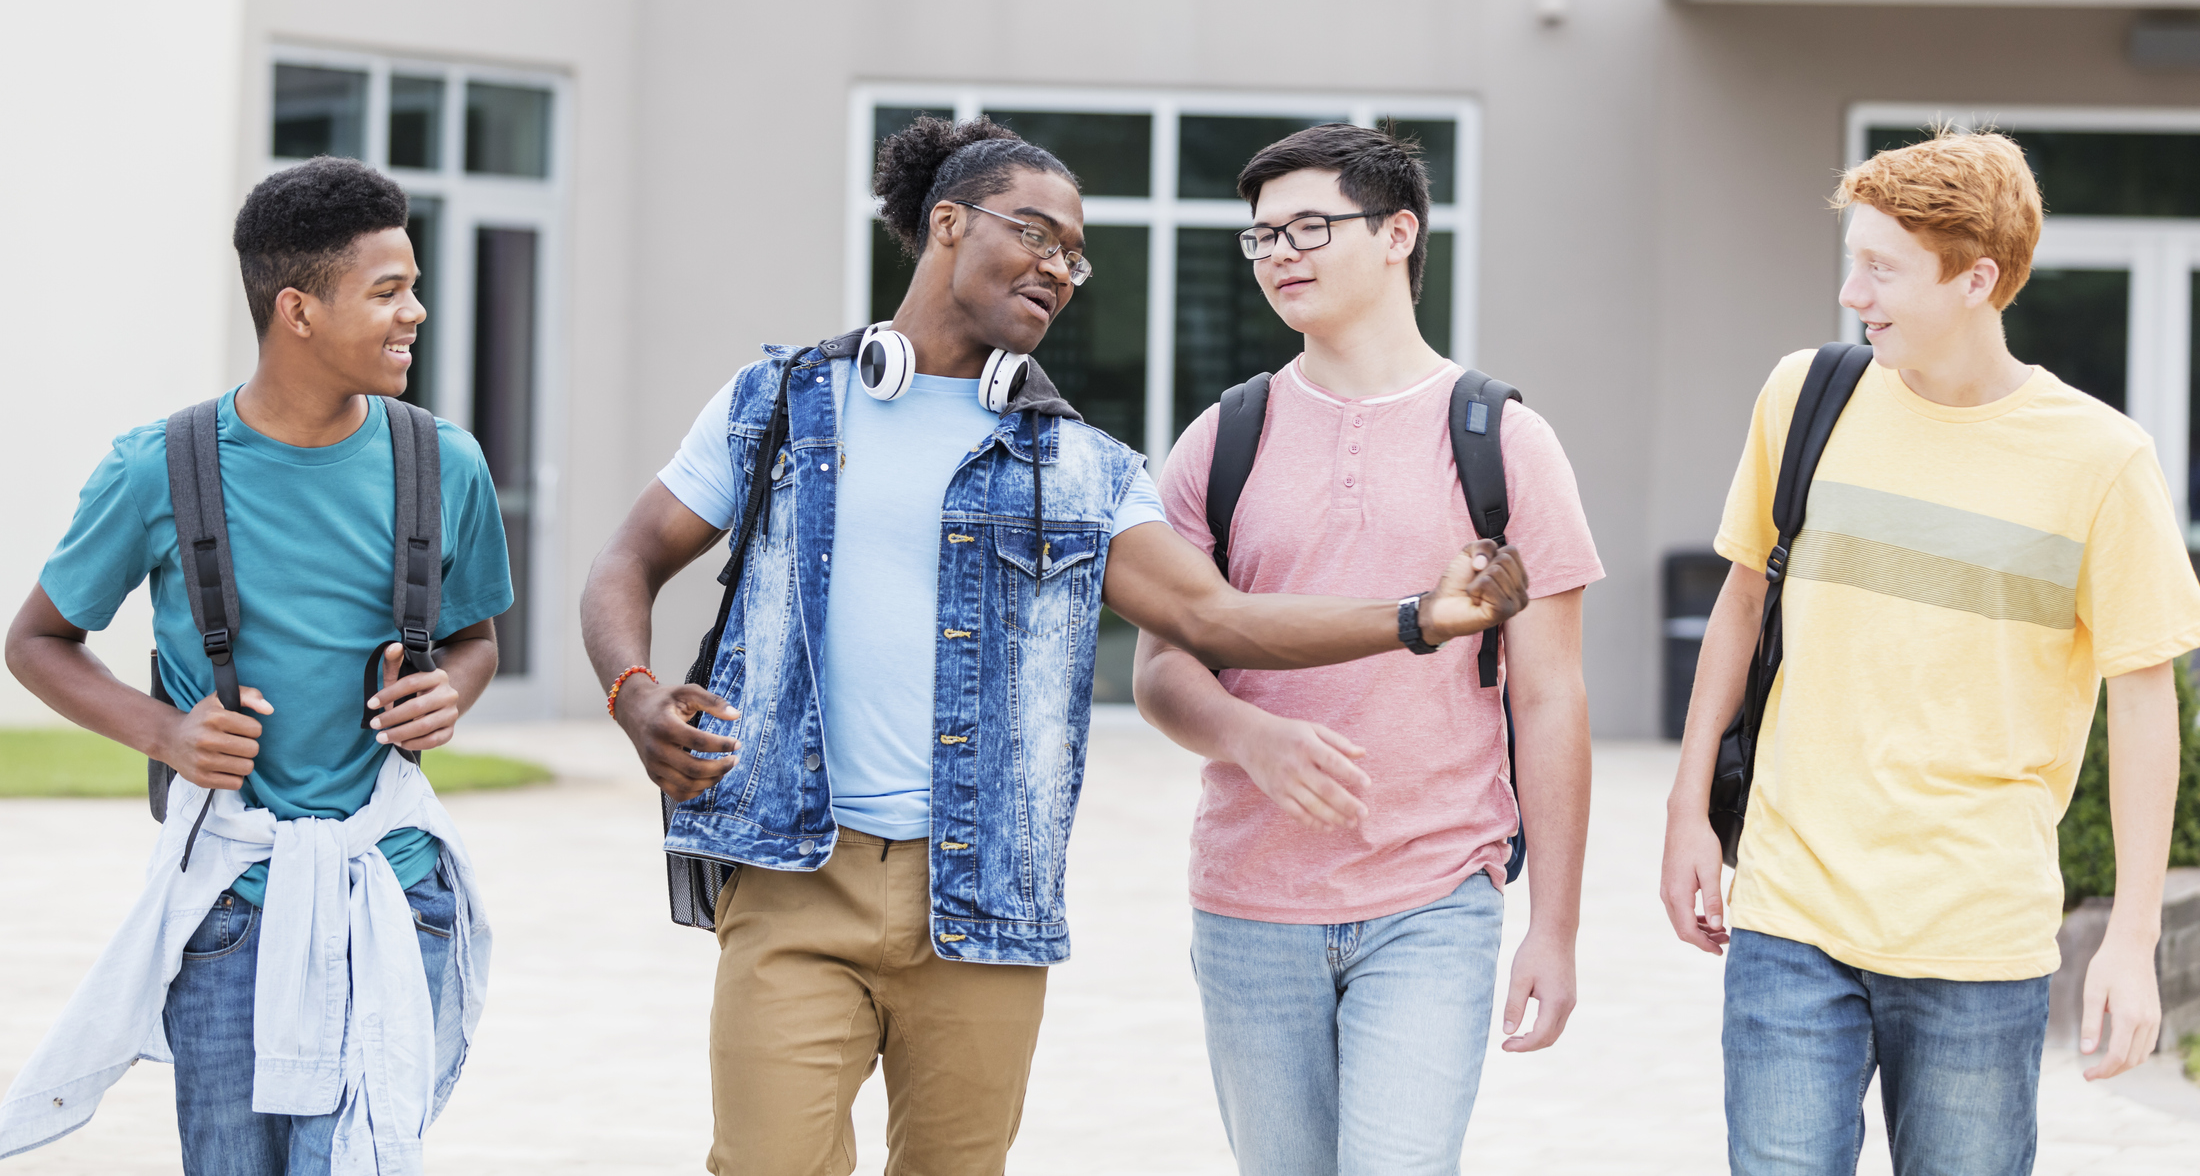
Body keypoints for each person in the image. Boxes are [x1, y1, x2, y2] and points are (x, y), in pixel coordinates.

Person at [579, 115, 1531, 1176]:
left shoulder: (1083, 470)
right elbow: (626, 562)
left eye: (1074, 254)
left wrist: (1415, 618)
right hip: (797, 875)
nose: (1059, 269)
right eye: (1034, 234)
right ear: (946, 221)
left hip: (982, 900)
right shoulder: (781, 405)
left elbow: (1213, 618)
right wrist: (632, 691)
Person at [1659, 130, 2200, 1175]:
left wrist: (2132, 939)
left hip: (1975, 934)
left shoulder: (2099, 461)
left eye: (1882, 268)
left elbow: (2143, 702)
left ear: (1977, 279)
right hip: (1789, 908)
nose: (1853, 292)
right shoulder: (1805, 397)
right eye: (1852, 257)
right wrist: (1688, 807)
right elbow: (1739, 602)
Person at [0, 157, 511, 1175]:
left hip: (393, 892)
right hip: (228, 906)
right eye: (388, 289)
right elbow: (36, 640)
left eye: (412, 284)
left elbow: (476, 637)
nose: (416, 310)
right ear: (298, 311)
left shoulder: (444, 463)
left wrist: (450, 687)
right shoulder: (159, 466)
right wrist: (166, 734)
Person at [1130, 123, 1601, 1175]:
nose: (1280, 255)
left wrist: (1553, 928)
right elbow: (1161, 669)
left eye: (1308, 226)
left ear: (1398, 232)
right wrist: (1251, 738)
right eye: (1260, 238)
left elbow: (1551, 699)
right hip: (1250, 903)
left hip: (1434, 894)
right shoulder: (1223, 438)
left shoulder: (1503, 441)